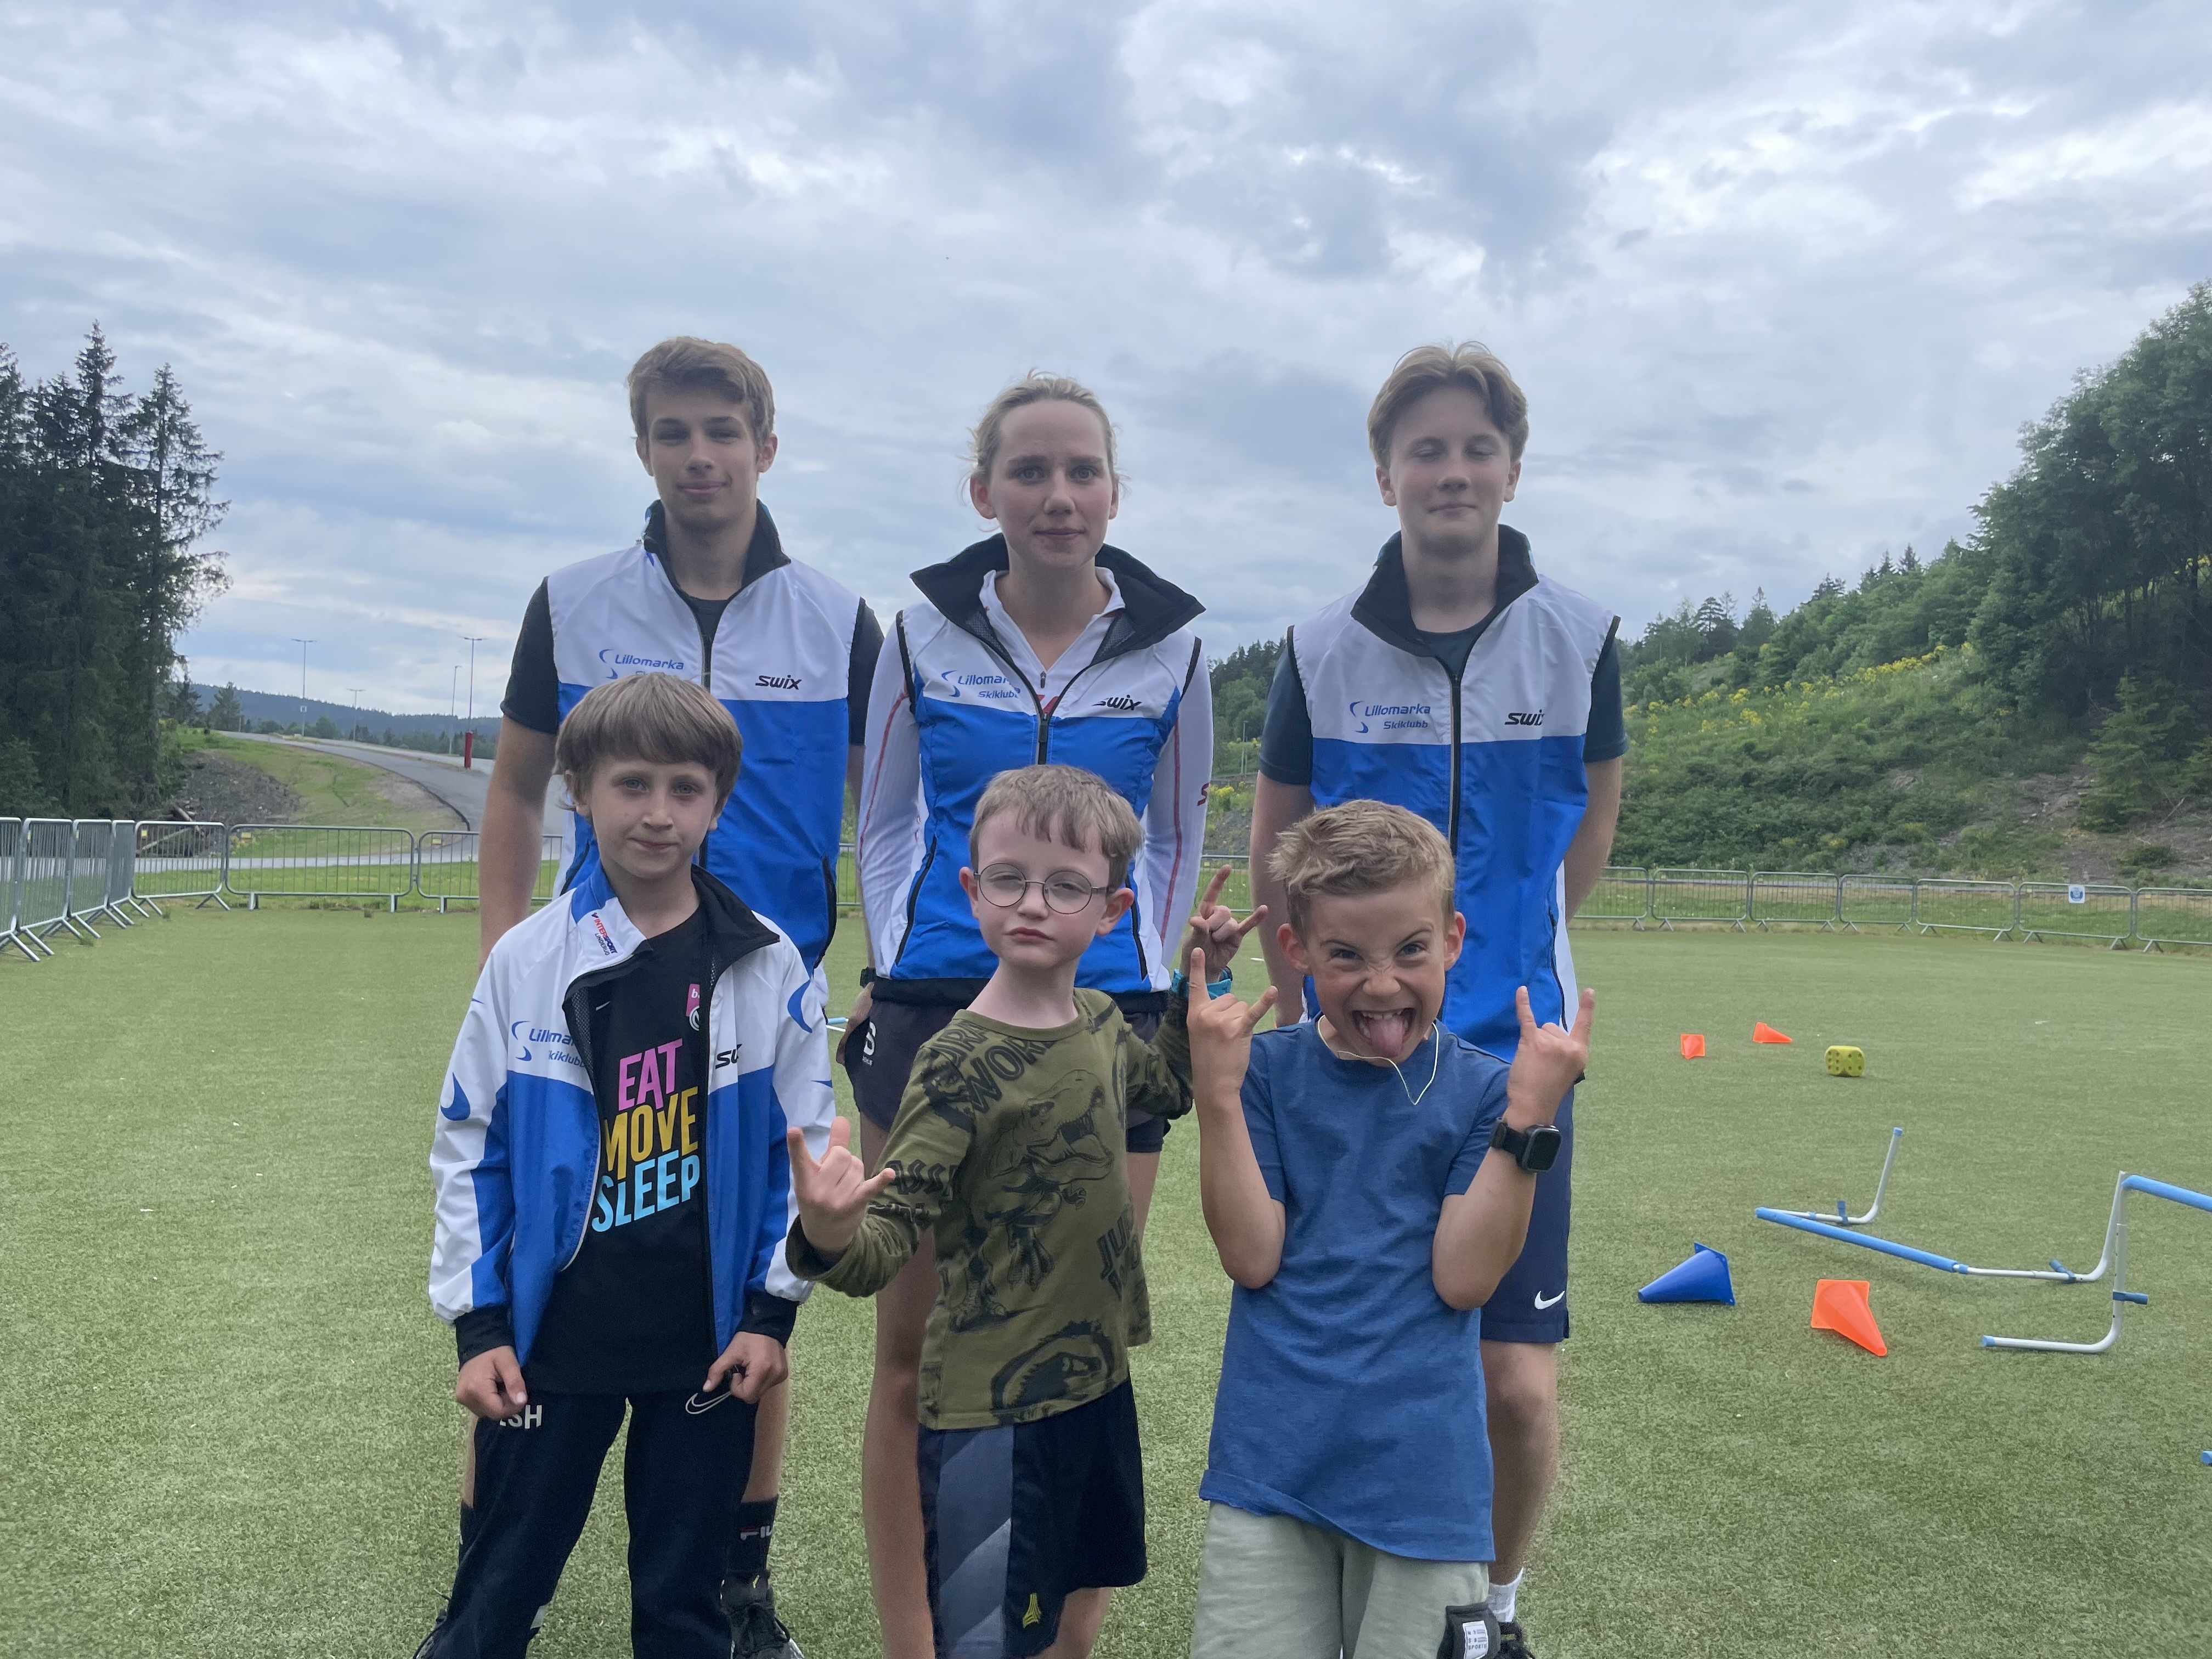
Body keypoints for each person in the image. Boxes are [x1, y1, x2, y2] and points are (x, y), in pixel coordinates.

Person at [475, 335, 879, 1655]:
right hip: (600, 1004)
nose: (699, 456)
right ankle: (487, 1582)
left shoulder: (839, 618)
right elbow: (516, 789)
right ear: (642, 446)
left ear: (767, 444)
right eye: (672, 432)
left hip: (765, 1004)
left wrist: (877, 963)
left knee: (755, 1279)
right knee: (544, 1270)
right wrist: (504, 958)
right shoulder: (573, 598)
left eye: (722, 431)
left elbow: (890, 810)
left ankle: (732, 1580)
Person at [1247, 343, 1624, 1656]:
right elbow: (1278, 843)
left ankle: (1493, 1607)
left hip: (1510, 1062)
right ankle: (1338, 1590)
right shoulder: (1320, 647)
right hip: (1355, 1061)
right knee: (1352, 1351)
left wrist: (1513, 952)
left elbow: (1587, 836)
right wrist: (1307, 1008)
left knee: (1514, 1384)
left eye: (1476, 447)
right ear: (1385, 474)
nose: (1452, 471)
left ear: (1512, 468)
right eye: (1426, 450)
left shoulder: (1582, 636)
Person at [848, 374, 1212, 1654]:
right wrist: (903, 961)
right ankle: (919, 1645)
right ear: (984, 492)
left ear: (1114, 493)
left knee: (1080, 1348)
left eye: (1082, 472)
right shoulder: (917, 635)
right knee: (916, 1355)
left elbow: (1174, 835)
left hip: (1105, 1019)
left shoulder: (1176, 650)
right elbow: (884, 823)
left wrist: (1140, 972)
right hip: (936, 1007)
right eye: (1030, 471)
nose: (1059, 496)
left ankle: (1060, 1643)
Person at [792, 764, 1258, 1659]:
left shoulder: (1100, 1020)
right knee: (989, 1640)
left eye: (1065, 885)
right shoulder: (955, 1063)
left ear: (1113, 910)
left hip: (1097, 1387)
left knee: (1071, 1618)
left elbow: (1165, 1087)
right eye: (1009, 879)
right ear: (973, 891)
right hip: (992, 1415)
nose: (1034, 903)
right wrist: (828, 1230)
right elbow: (884, 1246)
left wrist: (1202, 977)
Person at [421, 673, 838, 1659]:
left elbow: (801, 1154)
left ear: (718, 803)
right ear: (578, 791)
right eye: (633, 784)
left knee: (685, 1609)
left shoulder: (768, 963)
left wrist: (771, 1313)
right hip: (550, 1347)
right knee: (497, 1593)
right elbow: (469, 1146)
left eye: (686, 788)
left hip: (704, 1348)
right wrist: (479, 1327)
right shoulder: (526, 960)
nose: (659, 813)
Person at [1187, 801, 1594, 1659]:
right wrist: (1217, 1097)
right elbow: (1251, 1257)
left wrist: (1528, 1119)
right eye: (1347, 955)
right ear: (1297, 951)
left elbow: (1464, 1279)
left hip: (1425, 1491)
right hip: (1271, 1472)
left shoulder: (1485, 1091)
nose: (1381, 985)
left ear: (1452, 940)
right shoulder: (1263, 1073)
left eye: (1410, 950)